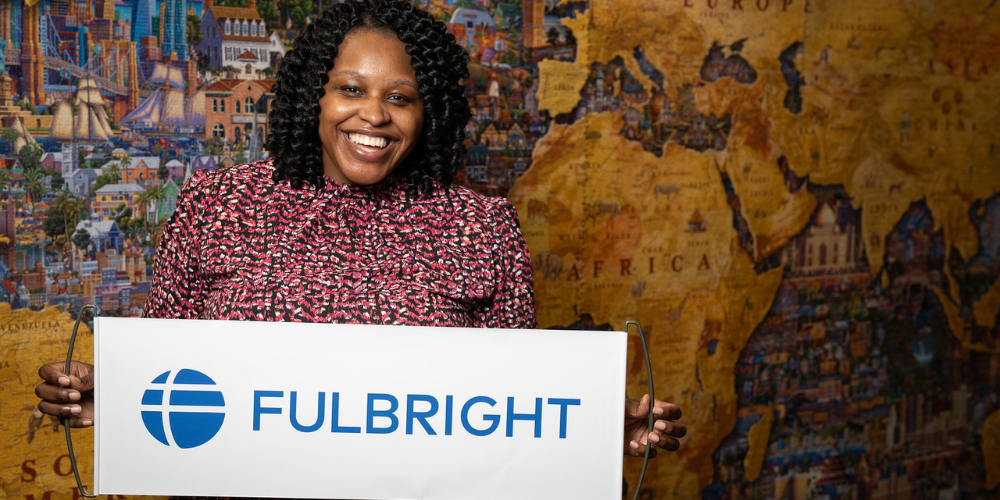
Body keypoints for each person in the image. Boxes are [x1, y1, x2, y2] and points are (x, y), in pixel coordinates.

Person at [35, 0, 685, 457]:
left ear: (427, 112)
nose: (373, 116)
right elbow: (166, 376)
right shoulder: (216, 204)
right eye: (351, 89)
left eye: (399, 97)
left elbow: (512, 414)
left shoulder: (481, 226)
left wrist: (595, 438)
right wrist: (111, 403)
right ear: (314, 97)